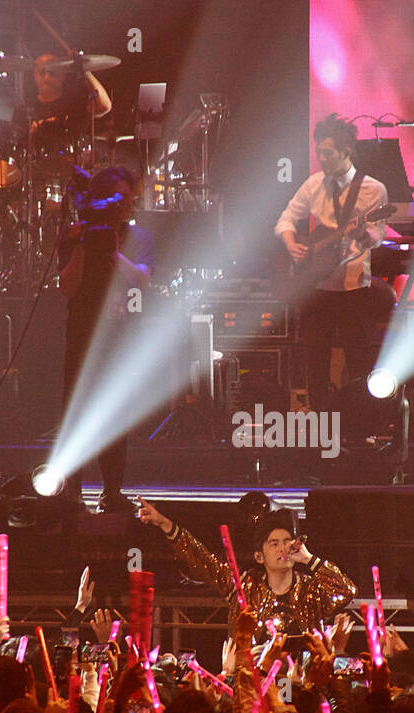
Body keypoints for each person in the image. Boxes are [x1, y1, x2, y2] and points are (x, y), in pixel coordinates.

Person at [275, 114, 395, 412]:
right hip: (316, 284)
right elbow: (286, 219)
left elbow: (377, 237)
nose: (321, 158)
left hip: (353, 285)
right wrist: (292, 245)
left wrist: (363, 233)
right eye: (319, 151)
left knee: (357, 357)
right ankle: (321, 422)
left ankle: (361, 421)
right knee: (316, 358)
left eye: (327, 152)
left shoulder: (373, 190)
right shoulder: (314, 184)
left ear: (346, 151)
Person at [58, 166, 155, 513]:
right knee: (77, 409)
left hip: (118, 335)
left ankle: (112, 489)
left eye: (128, 199)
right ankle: (72, 490)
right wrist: (85, 244)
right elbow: (67, 286)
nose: (125, 205)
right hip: (82, 333)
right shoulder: (75, 236)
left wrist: (114, 252)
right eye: (118, 199)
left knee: (114, 413)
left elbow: (142, 280)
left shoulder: (139, 237)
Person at [136, 497, 357, 647]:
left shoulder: (310, 588)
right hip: (253, 689)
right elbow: (201, 560)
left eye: (287, 541)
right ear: (259, 556)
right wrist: (164, 524)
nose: (282, 548)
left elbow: (347, 591)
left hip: (303, 690)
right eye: (274, 543)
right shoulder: (244, 586)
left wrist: (309, 559)